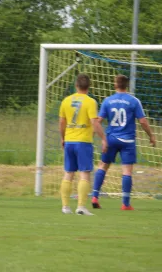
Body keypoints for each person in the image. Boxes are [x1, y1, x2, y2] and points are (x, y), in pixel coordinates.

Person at [91, 75, 156, 210]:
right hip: (127, 140)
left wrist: (94, 135)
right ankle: (125, 204)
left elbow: (98, 121)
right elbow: (142, 121)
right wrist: (151, 136)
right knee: (126, 170)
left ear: (115, 85)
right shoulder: (134, 101)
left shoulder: (107, 101)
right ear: (126, 85)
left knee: (103, 166)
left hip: (111, 139)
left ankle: (95, 196)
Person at [59, 74, 106, 216]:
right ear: (89, 86)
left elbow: (62, 122)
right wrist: (103, 138)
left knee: (68, 173)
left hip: (69, 141)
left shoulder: (66, 101)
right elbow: (94, 122)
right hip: (83, 141)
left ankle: (65, 207)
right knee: (84, 174)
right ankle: (80, 207)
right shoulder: (90, 102)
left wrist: (63, 138)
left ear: (76, 85)